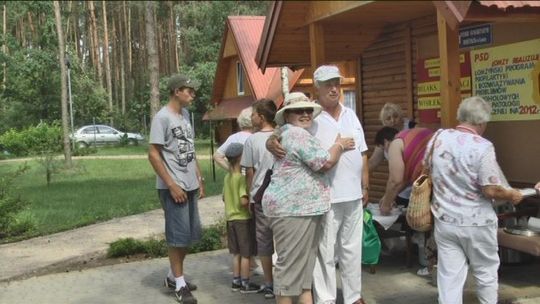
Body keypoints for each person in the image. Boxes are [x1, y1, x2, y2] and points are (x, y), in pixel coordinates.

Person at [268, 65, 369, 304]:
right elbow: (282, 132)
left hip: (353, 194)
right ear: (318, 88)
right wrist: (270, 141)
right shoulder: (310, 117)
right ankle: (326, 299)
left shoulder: (350, 114)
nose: (334, 88)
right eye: (328, 85)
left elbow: (363, 152)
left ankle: (354, 296)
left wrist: (365, 186)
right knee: (325, 252)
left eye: (337, 83)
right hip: (326, 198)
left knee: (352, 250)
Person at [428, 96, 523, 304]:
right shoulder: (483, 147)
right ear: (481, 121)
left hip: (445, 220)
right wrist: (512, 194)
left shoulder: (439, 138)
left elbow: (425, 169)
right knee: (485, 273)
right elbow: (490, 189)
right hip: (477, 223)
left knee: (449, 277)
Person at [148, 74, 205, 304]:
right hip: (174, 187)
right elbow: (153, 154)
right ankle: (180, 285)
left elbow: (190, 149)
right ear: (176, 91)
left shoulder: (186, 115)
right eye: (189, 90)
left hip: (190, 184)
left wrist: (199, 177)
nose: (193, 94)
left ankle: (173, 277)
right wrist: (171, 185)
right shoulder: (161, 118)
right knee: (177, 237)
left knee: (190, 235)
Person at [240, 98, 278, 299]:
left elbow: (249, 172)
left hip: (261, 198)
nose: (251, 117)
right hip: (282, 196)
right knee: (283, 239)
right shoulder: (281, 135)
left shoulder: (252, 141)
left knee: (264, 241)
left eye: (253, 114)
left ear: (261, 117)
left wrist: (249, 195)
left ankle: (269, 283)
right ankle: (285, 283)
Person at [222, 142, 260, 293]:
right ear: (240, 158)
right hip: (242, 220)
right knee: (246, 254)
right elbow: (243, 201)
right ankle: (245, 283)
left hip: (230, 219)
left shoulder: (227, 177)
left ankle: (236, 280)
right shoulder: (241, 179)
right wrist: (251, 196)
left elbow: (224, 197)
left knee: (236, 253)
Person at [378, 126, 434, 214]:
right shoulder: (408, 136)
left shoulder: (394, 144)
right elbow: (405, 180)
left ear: (386, 143)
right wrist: (387, 197)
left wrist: (386, 205)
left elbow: (395, 181)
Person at [368, 102, 415, 171]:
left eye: (395, 116)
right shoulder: (384, 135)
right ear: (384, 122)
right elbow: (373, 162)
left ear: (401, 116)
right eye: (388, 118)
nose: (393, 120)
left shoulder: (412, 127)